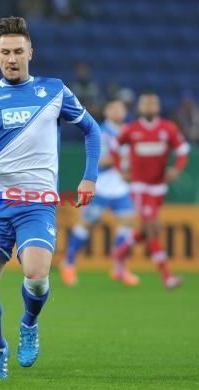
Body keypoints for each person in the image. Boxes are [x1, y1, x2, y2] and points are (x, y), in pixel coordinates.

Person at [0, 17, 100, 379]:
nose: (12, 58)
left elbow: (91, 130)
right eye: (5, 52)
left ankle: (29, 324)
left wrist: (88, 178)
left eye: (18, 51)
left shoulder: (54, 91)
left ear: (30, 52)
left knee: (35, 277)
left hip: (37, 202)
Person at [110, 92, 190, 290]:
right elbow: (113, 147)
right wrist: (121, 171)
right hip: (140, 187)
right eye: (145, 104)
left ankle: (121, 252)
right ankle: (167, 276)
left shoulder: (167, 128)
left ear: (158, 107)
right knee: (153, 227)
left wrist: (177, 169)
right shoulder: (132, 129)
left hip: (159, 187)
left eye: (152, 103)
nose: (149, 107)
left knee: (146, 229)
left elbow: (183, 150)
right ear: (139, 108)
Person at [61, 99, 139, 287]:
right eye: (113, 107)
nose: (118, 110)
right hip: (102, 187)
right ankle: (69, 263)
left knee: (127, 225)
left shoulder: (130, 131)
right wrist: (126, 157)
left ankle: (119, 268)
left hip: (121, 188)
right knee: (85, 225)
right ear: (106, 112)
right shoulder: (102, 133)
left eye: (121, 107)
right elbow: (102, 162)